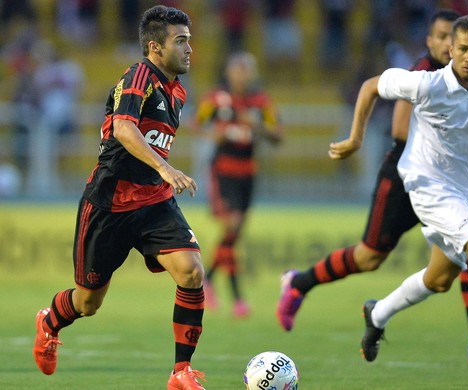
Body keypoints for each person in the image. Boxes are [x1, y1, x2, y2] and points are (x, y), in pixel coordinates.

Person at [277, 9, 468, 364]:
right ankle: (300, 283)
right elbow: (400, 132)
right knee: (369, 256)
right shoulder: (423, 76)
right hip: (408, 178)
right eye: (442, 38)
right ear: (440, 43)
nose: (453, 49)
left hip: (454, 185)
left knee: (445, 274)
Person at [329, 15, 468, 379]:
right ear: (450, 50)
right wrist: (356, 138)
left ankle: (376, 314)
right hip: (426, 184)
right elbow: (370, 86)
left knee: (439, 279)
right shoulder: (426, 84)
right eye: (463, 49)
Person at [32, 6, 208, 389]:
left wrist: (161, 176)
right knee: (87, 303)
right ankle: (50, 321)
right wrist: (166, 168)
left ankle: (181, 372)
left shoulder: (177, 91)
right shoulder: (138, 75)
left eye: (189, 41)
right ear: (154, 47)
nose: (189, 49)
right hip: (109, 203)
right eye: (180, 41)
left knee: (193, 272)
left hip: (154, 202)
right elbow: (125, 130)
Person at [193, 51, 283, 318]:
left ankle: (206, 280)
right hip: (223, 168)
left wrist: (257, 127)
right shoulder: (216, 98)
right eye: (238, 69)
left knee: (233, 235)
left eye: (247, 69)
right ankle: (237, 297)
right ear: (229, 72)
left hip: (248, 171)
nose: (243, 74)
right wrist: (214, 135)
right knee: (231, 227)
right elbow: (196, 123)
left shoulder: (261, 102)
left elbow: (278, 135)